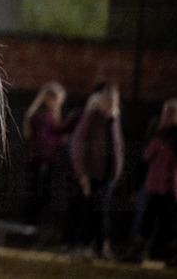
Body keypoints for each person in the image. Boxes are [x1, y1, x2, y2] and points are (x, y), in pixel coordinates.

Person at [64, 82, 125, 260]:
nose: (111, 104)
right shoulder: (91, 117)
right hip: (92, 174)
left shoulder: (114, 120)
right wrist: (83, 174)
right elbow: (79, 146)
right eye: (108, 100)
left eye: (114, 100)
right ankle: (92, 246)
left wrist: (117, 170)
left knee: (100, 211)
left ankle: (98, 246)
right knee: (94, 211)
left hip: (108, 175)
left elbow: (118, 146)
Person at [125, 98, 177, 266]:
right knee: (150, 219)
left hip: (170, 187)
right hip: (155, 185)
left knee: (169, 222)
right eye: (166, 112)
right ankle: (140, 251)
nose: (167, 116)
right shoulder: (160, 134)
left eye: (172, 113)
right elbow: (145, 160)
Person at [21, 81, 67, 230]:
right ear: (49, 99)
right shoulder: (42, 116)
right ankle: (32, 223)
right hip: (40, 160)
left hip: (44, 159)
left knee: (41, 193)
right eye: (57, 100)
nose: (59, 104)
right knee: (37, 193)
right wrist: (60, 139)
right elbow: (43, 139)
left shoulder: (50, 115)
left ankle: (35, 223)